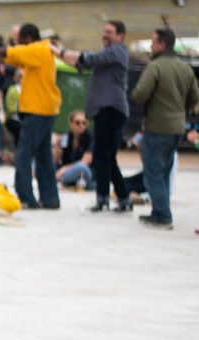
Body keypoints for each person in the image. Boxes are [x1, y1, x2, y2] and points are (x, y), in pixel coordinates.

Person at [0, 23, 61, 209]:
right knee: (44, 155)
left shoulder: (36, 49)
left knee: (23, 154)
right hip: (46, 108)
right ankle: (50, 198)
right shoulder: (41, 51)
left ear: (28, 38)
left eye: (18, 39)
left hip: (37, 110)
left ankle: (26, 197)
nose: (16, 43)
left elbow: (7, 53)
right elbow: (8, 58)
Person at [55, 20, 132, 213]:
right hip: (106, 111)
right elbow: (81, 62)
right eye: (104, 31)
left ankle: (104, 199)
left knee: (101, 156)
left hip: (111, 111)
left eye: (110, 32)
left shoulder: (116, 52)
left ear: (120, 35)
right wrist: (62, 54)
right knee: (107, 157)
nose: (105, 34)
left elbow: (86, 58)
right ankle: (121, 198)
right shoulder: (110, 54)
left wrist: (59, 51)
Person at [130, 28, 199, 230]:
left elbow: (140, 94)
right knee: (165, 171)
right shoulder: (185, 68)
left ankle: (162, 215)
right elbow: (195, 97)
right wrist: (181, 109)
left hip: (158, 126)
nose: (151, 46)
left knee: (153, 173)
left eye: (153, 42)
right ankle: (161, 210)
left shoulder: (155, 67)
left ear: (162, 44)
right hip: (178, 127)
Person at [53, 110, 94, 190]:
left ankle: (56, 179)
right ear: (71, 124)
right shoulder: (67, 137)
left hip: (86, 174)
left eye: (84, 123)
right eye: (77, 122)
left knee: (81, 167)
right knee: (46, 164)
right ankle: (57, 178)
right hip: (68, 171)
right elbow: (55, 160)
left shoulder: (91, 138)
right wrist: (57, 146)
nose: (81, 125)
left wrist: (63, 169)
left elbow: (85, 162)